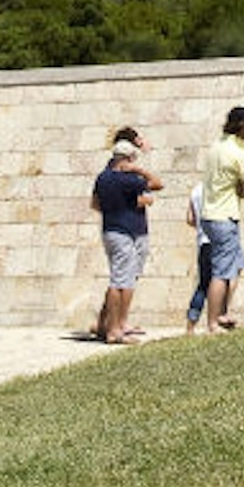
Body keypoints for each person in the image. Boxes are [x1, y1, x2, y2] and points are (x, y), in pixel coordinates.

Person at [92, 139, 162, 344]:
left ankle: (112, 326)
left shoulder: (102, 178)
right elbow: (158, 183)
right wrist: (140, 170)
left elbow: (96, 204)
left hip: (111, 230)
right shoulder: (126, 180)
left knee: (121, 279)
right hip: (126, 232)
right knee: (121, 281)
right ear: (128, 159)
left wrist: (120, 206)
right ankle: (115, 330)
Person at [200, 106, 244, 332]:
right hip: (225, 215)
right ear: (242, 126)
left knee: (237, 264)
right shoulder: (239, 153)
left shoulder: (215, 147)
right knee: (221, 272)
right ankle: (214, 320)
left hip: (210, 214)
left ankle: (223, 313)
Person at [183, 181, 214, 334]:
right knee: (222, 282)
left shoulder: (196, 189)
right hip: (218, 241)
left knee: (203, 284)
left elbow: (190, 218)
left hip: (203, 242)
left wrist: (202, 228)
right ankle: (214, 323)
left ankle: (191, 325)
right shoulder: (219, 187)